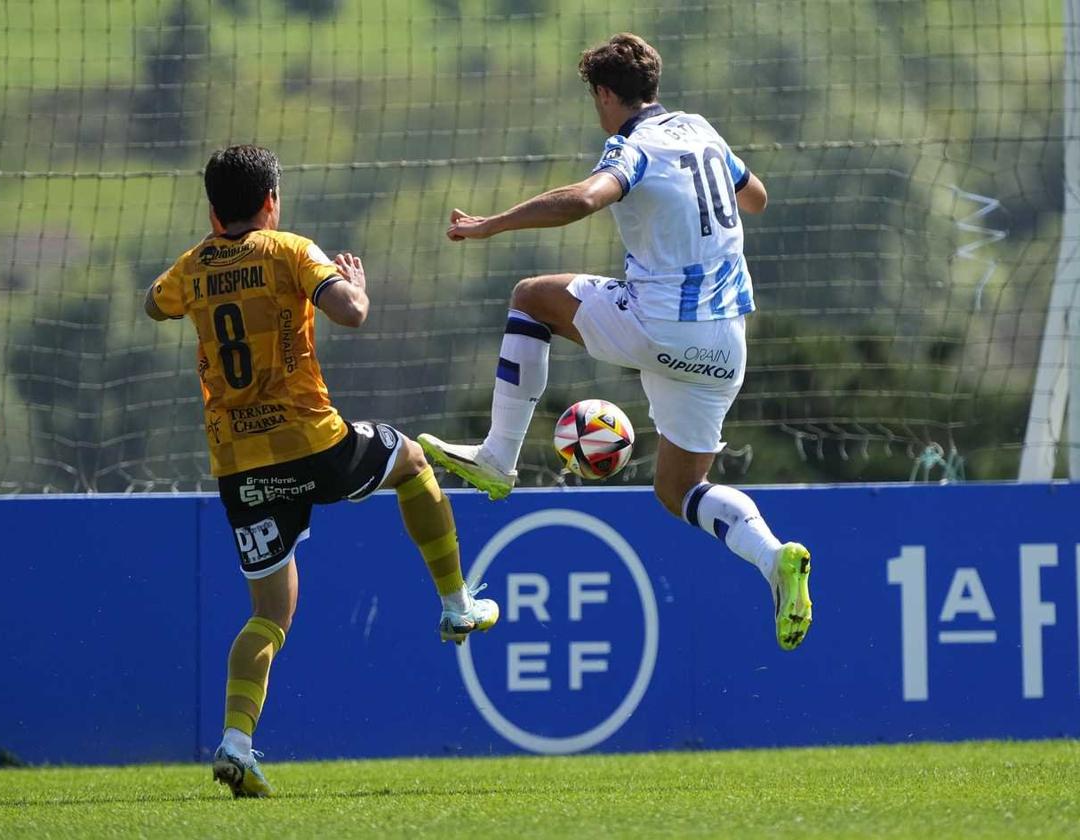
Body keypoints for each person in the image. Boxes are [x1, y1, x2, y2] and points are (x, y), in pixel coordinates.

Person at [417, 33, 812, 651]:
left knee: (530, 297)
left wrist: (491, 224)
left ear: (605, 93)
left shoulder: (632, 146)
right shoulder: (701, 130)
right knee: (678, 490)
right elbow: (755, 197)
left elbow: (584, 198)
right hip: (726, 346)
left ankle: (498, 457)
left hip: (659, 324)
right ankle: (774, 558)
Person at [145, 145, 499, 799]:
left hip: (238, 464)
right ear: (271, 201)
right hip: (312, 444)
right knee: (414, 461)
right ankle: (456, 606)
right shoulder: (290, 250)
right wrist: (353, 285)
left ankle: (235, 744)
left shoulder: (190, 267)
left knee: (269, 618)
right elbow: (351, 313)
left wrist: (200, 283)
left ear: (212, 207)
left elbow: (153, 305)